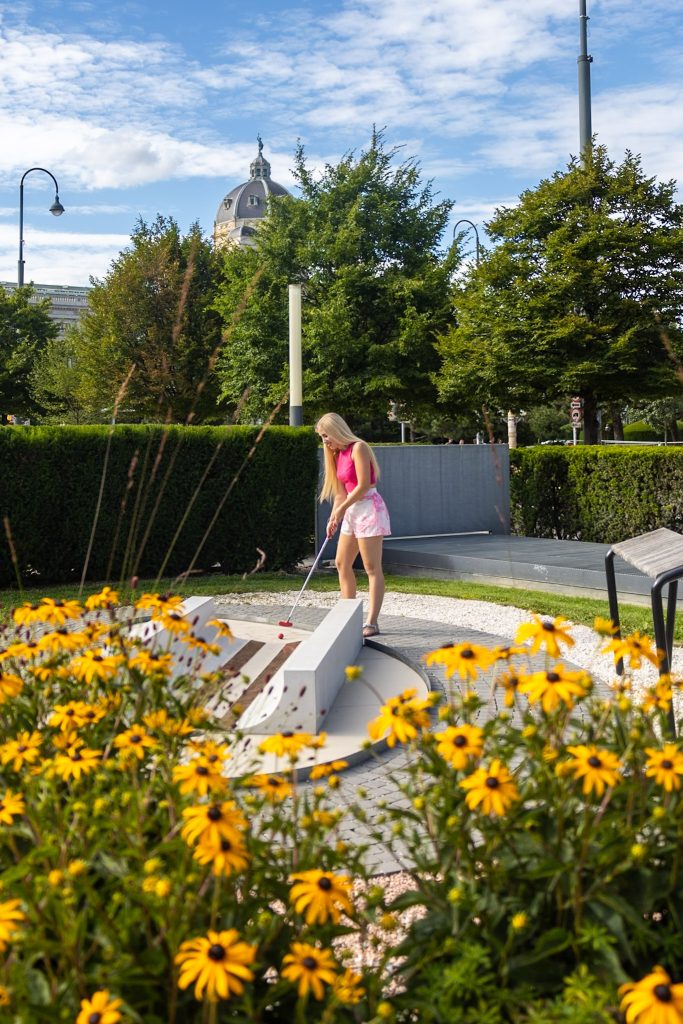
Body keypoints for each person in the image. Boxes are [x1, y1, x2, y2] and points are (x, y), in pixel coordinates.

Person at [316, 413, 391, 638]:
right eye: (321, 437)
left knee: (371, 567)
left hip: (369, 508)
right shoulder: (337, 455)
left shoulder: (359, 448)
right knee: (341, 562)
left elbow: (362, 486)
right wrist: (333, 517)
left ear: (337, 430)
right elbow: (340, 494)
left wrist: (341, 510)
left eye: (326, 435)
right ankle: (347, 616)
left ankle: (372, 622)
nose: (325, 441)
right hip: (351, 510)